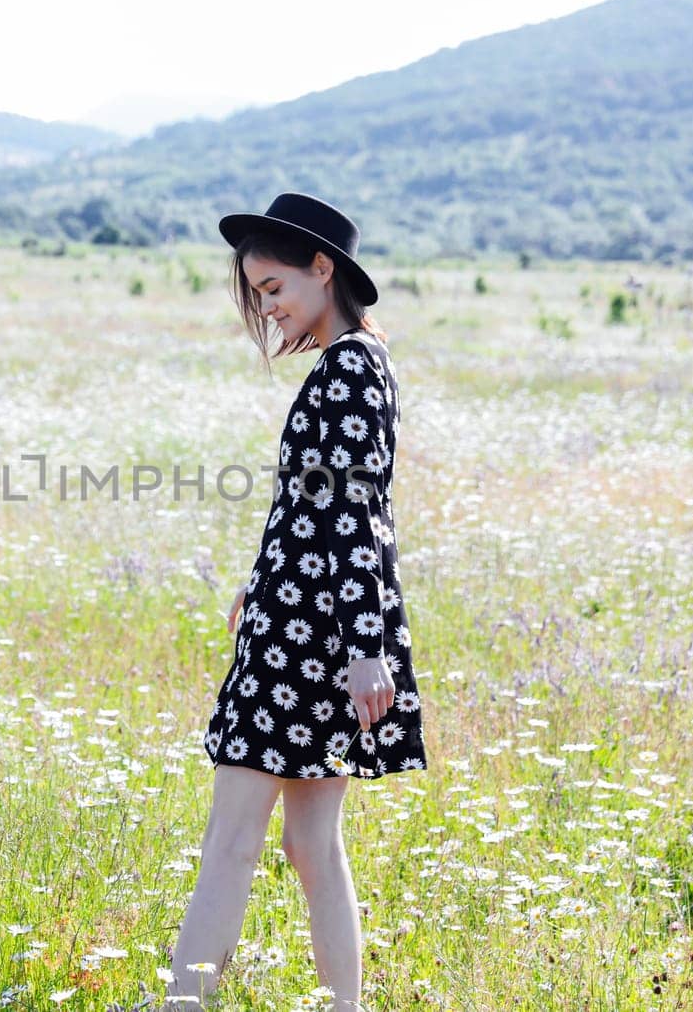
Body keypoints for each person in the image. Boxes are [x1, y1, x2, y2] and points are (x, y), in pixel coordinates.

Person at [167, 193, 426, 1012]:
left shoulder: (348, 368)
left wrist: (361, 645)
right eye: (258, 293)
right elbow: (323, 505)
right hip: (314, 620)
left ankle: (183, 1006)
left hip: (305, 637)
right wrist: (263, 574)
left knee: (232, 839)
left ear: (325, 270)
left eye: (274, 287)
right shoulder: (362, 361)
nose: (268, 307)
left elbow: (353, 513)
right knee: (312, 844)